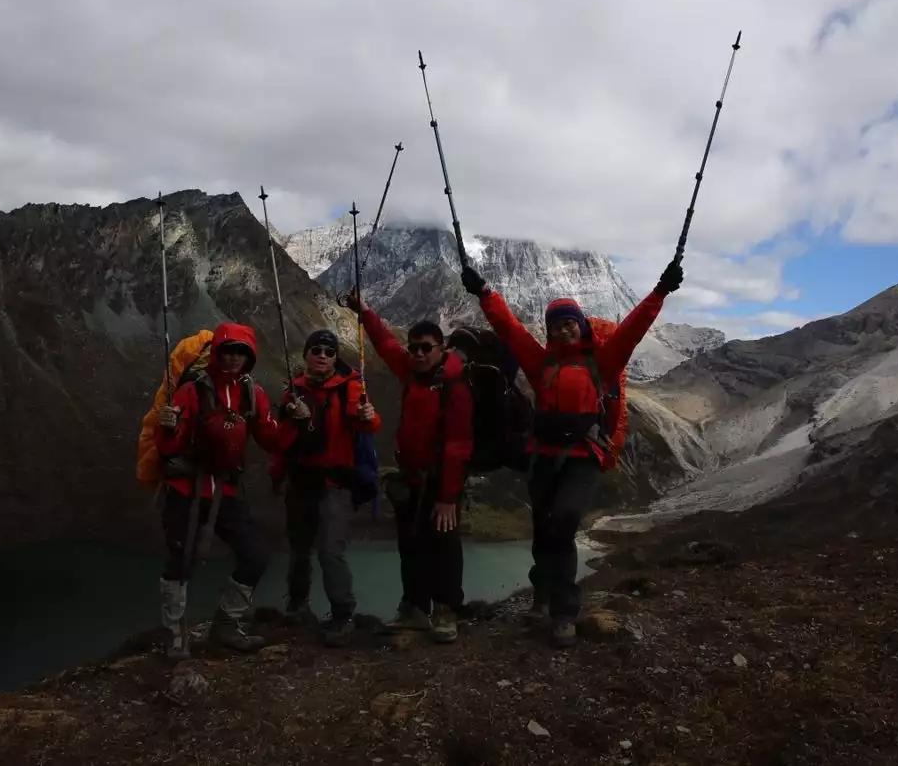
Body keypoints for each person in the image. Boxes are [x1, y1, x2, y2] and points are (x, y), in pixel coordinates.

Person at [460, 260, 684, 647]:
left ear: (580, 325)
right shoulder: (540, 362)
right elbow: (509, 329)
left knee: (562, 520)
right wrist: (483, 293)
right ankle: (543, 595)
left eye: (569, 323)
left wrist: (660, 291)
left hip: (582, 455)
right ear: (548, 332)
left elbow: (633, 329)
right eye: (555, 325)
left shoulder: (603, 362)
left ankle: (564, 611)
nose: (563, 330)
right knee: (545, 527)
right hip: (543, 454)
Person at [346, 291, 473, 644]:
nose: (417, 353)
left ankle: (447, 610)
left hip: (441, 481)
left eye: (425, 347)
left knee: (444, 545)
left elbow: (458, 445)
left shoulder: (454, 387)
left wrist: (448, 497)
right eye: (414, 347)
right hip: (412, 476)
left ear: (441, 348)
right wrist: (366, 312)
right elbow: (386, 345)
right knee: (411, 544)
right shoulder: (412, 373)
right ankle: (415, 608)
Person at [155, 322, 280, 658]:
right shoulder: (191, 391)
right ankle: (175, 634)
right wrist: (167, 428)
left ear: (249, 357)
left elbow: (272, 439)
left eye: (241, 352)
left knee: (255, 555)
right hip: (187, 489)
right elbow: (169, 448)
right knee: (181, 560)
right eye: (228, 351)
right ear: (217, 352)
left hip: (224, 490)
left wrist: (295, 421)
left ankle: (226, 625)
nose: (233, 358)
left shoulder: (252, 393)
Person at [273, 328, 381, 647]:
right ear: (306, 354)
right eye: (316, 349)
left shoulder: (348, 389)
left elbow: (366, 422)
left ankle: (342, 613)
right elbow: (281, 442)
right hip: (301, 481)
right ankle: (297, 605)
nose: (322, 355)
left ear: (335, 359)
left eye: (329, 352)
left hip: (335, 483)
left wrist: (368, 415)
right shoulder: (293, 392)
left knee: (330, 551)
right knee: (300, 549)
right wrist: (295, 422)